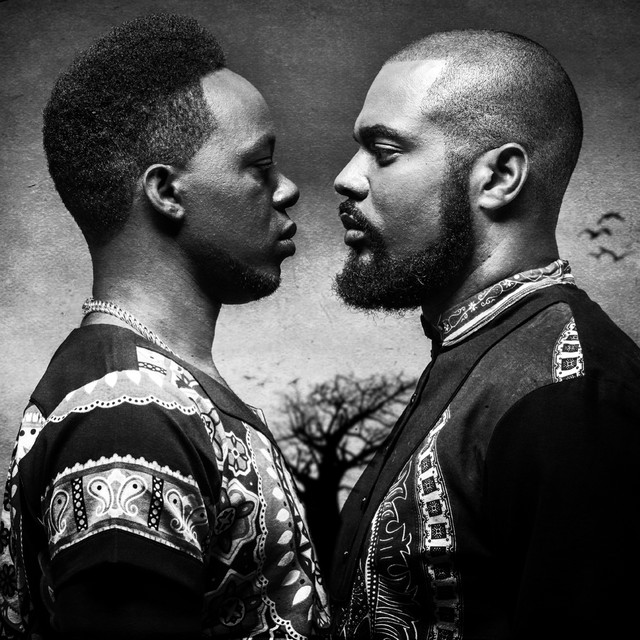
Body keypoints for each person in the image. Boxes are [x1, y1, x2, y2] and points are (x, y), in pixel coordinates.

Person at [0, 14, 329, 640]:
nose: (286, 189)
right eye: (259, 166)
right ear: (167, 192)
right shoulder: (129, 413)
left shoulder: (156, 392)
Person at [330, 30, 640, 640]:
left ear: (498, 177)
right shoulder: (479, 352)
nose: (347, 178)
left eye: (384, 151)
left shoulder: (571, 396)